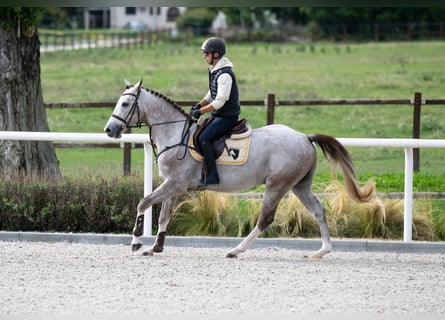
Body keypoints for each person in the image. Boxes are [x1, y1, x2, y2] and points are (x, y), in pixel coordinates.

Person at [191, 37, 241, 186]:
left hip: (228, 117)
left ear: (216, 55)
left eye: (206, 53)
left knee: (203, 138)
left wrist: (201, 111)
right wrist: (198, 105)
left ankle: (213, 175)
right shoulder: (215, 70)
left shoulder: (225, 74)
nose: (204, 56)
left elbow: (220, 101)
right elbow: (211, 93)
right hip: (218, 114)